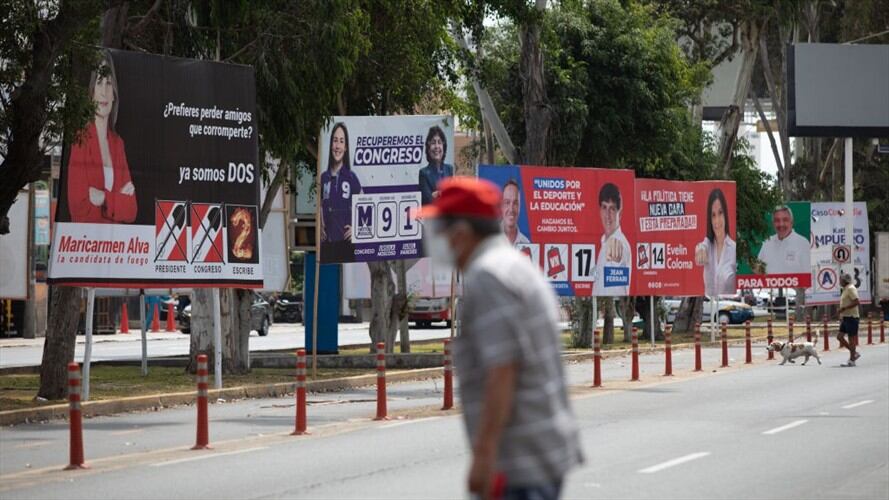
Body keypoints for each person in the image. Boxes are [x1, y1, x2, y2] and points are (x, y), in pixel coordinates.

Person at [418, 177, 582, 500]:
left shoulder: (488, 277)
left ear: (462, 234)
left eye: (439, 230)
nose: (434, 240)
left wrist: (483, 456)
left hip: (518, 466)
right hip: (538, 455)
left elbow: (502, 372)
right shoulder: (513, 267)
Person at [67, 51, 137, 223]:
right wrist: (117, 200)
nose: (104, 92)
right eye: (99, 83)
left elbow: (131, 210)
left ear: (114, 94)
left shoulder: (118, 144)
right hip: (86, 244)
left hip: (114, 247)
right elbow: (78, 207)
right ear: (91, 92)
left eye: (109, 83)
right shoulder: (80, 139)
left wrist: (104, 198)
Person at [320, 122, 362, 243]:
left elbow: (366, 205)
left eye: (341, 141)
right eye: (335, 140)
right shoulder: (323, 177)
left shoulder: (351, 177)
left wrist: (357, 228)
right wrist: (320, 224)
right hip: (327, 245)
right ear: (331, 144)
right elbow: (319, 205)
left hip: (346, 246)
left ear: (346, 147)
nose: (337, 146)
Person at [695, 188, 736, 296]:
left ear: (725, 214)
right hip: (710, 306)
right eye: (713, 215)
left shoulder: (734, 249)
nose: (717, 220)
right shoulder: (707, 245)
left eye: (720, 213)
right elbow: (701, 247)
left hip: (727, 306)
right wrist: (700, 249)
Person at [595, 183, 631, 295]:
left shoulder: (617, 243)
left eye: (612, 209)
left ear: (620, 213)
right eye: (604, 207)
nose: (607, 215)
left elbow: (614, 292)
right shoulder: (605, 241)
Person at [756, 206, 810, 274]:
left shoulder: (802, 243)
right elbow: (758, 272)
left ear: (792, 222)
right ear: (773, 224)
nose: (781, 224)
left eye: (785, 220)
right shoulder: (767, 242)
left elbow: (808, 275)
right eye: (777, 220)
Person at [417, 126, 453, 205]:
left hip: (447, 216)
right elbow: (428, 201)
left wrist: (436, 194)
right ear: (428, 148)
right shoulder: (423, 173)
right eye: (433, 143)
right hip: (432, 216)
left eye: (439, 142)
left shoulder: (449, 169)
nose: (437, 146)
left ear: (443, 147)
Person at [837, 273, 861, 367]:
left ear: (844, 280)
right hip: (845, 317)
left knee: (851, 339)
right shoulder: (845, 289)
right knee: (840, 336)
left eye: (840, 280)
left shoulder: (851, 288)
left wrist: (844, 308)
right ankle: (854, 353)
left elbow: (856, 301)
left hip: (852, 317)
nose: (839, 281)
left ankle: (852, 360)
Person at [500, 179, 530, 246]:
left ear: (519, 206)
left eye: (515, 203)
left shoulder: (526, 243)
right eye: (507, 202)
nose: (511, 209)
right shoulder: (490, 240)